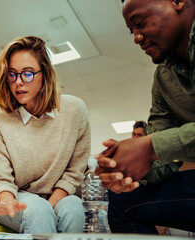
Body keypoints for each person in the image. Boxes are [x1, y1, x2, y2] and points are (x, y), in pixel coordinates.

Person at [95, 0, 195, 234]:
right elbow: (160, 149)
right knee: (123, 199)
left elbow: (155, 145)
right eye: (132, 30)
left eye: (140, 23)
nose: (136, 38)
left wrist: (150, 147)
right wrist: (121, 168)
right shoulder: (163, 78)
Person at [0, 36, 90, 234]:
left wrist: (51, 203)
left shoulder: (74, 110)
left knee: (73, 207)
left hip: (59, 195)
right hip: (15, 198)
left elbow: (74, 173)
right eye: (11, 75)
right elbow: (1, 181)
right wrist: (7, 202)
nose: (18, 83)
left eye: (27, 74)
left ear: (45, 74)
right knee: (38, 210)